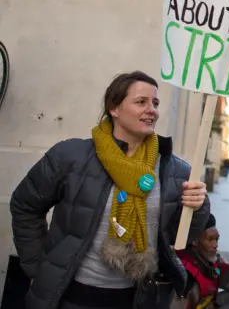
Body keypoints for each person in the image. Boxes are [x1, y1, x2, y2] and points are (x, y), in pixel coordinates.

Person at [10, 71, 211, 309]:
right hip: (68, 297)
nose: (152, 110)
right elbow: (25, 206)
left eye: (155, 103)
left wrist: (198, 207)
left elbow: (182, 236)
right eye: (141, 102)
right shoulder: (71, 157)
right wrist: (36, 268)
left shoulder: (175, 171)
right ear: (114, 108)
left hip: (135, 299)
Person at [173, 214, 229, 309]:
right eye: (210, 239)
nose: (215, 245)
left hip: (209, 304)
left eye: (217, 239)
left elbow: (227, 272)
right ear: (195, 241)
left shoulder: (208, 261)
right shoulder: (184, 275)